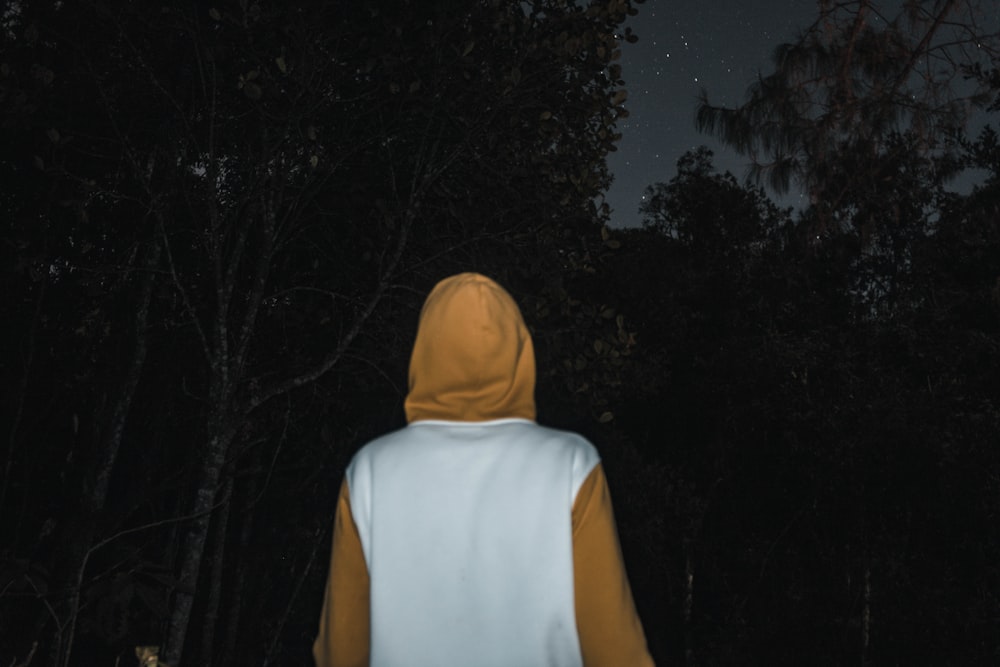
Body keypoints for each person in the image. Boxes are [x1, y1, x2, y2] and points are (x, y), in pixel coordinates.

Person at [313, 273, 654, 667]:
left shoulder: (370, 470)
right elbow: (614, 647)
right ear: (520, 351)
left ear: (426, 350)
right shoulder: (571, 464)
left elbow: (341, 649)